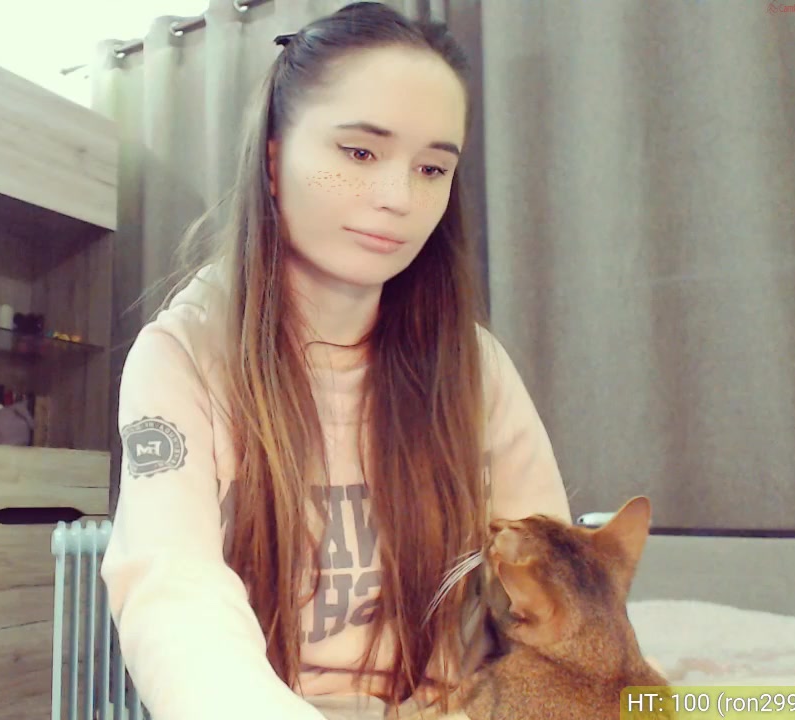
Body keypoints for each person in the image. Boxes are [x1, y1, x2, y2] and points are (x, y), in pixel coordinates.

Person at [100, 3, 571, 720]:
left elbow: (553, 592)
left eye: (431, 168)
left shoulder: (475, 366)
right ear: (274, 160)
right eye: (359, 153)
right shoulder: (184, 356)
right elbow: (174, 586)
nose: (398, 199)